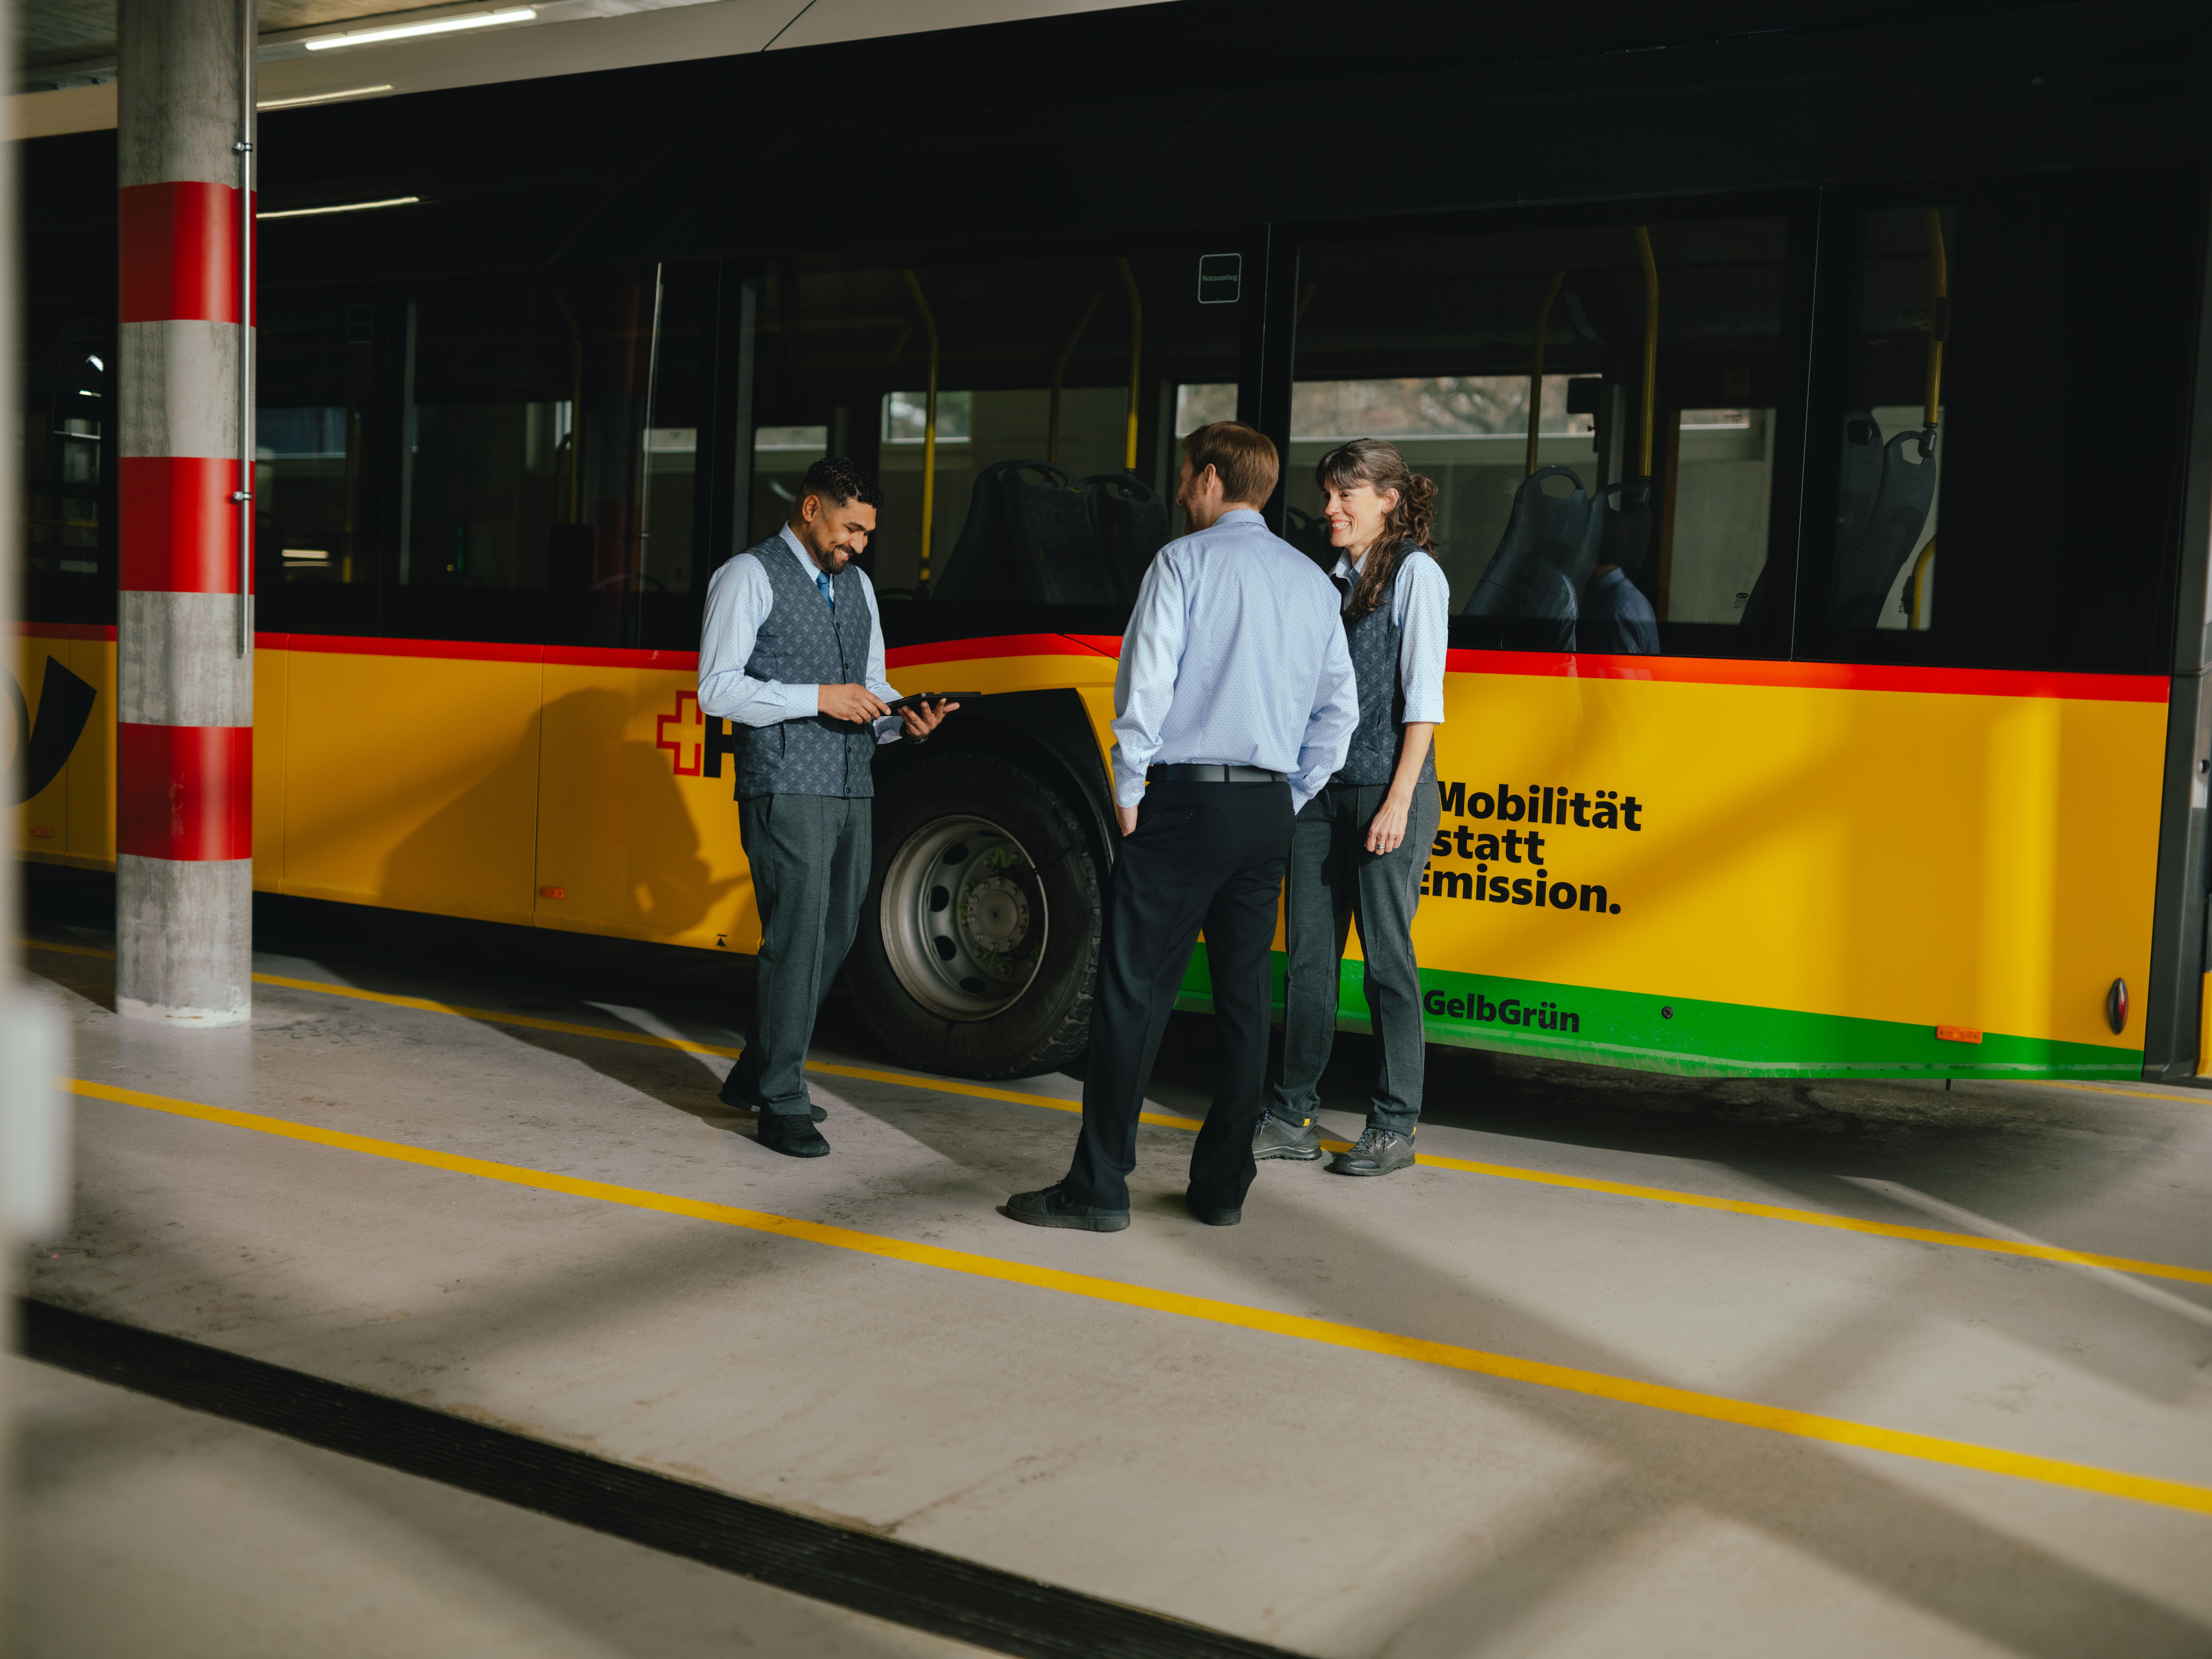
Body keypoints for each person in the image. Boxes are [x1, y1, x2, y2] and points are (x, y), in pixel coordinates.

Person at [1002, 422, 1357, 1232]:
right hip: (1267, 809)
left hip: (1186, 802)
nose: (1180, 492)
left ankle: (1099, 1189)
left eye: (1185, 478)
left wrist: (1130, 786)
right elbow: (1341, 709)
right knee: (1242, 999)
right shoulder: (1311, 582)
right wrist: (1291, 794)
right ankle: (1224, 1188)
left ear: (1207, 480)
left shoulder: (1183, 563)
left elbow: (1146, 684)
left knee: (1135, 993)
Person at [697, 457, 956, 1157]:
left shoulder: (860, 586)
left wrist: (901, 721)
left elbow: (867, 689)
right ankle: (781, 1097)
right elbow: (717, 691)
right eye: (850, 529)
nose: (859, 546)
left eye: (868, 535)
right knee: (799, 937)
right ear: (811, 508)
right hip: (785, 783)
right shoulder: (747, 576)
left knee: (837, 935)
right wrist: (818, 698)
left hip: (851, 783)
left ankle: (757, 1068)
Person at [1255, 440, 1448, 1178]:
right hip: (1319, 790)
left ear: (1389, 501)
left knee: (1387, 964)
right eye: (1329, 495)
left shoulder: (1417, 576)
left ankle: (1395, 1125)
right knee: (1308, 963)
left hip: (1384, 791)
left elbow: (1423, 702)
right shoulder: (1330, 578)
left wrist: (1398, 801)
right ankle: (1289, 1116)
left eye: (1346, 496)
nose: (1329, 509)